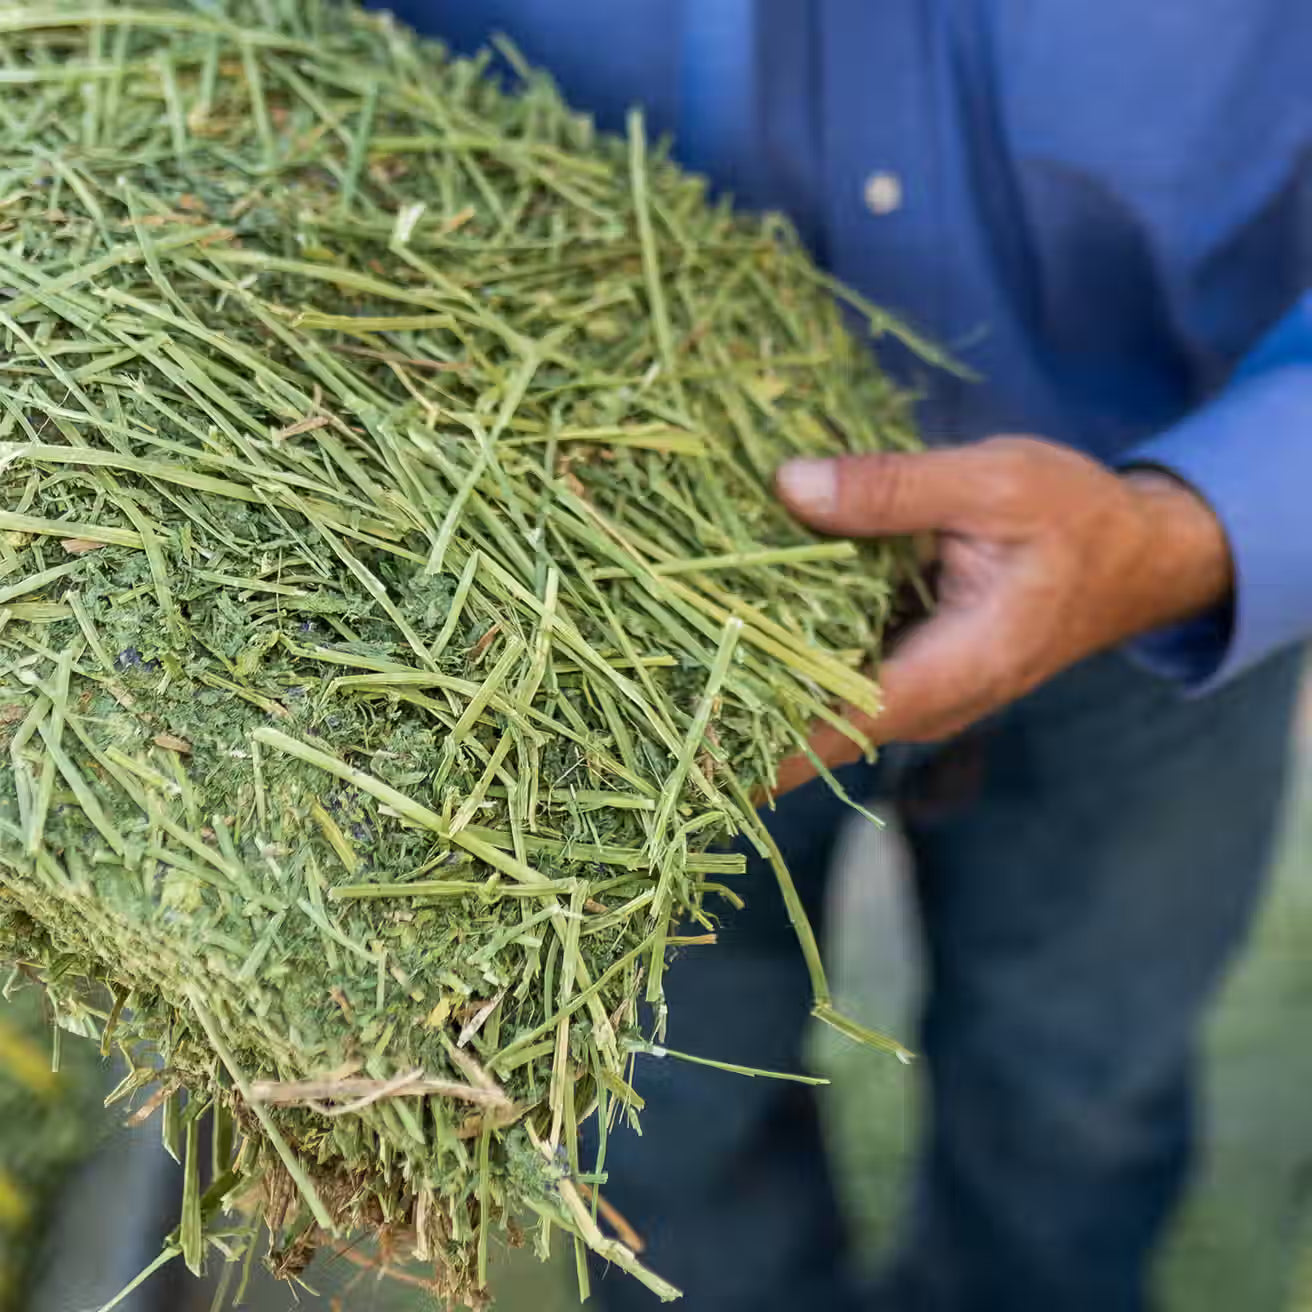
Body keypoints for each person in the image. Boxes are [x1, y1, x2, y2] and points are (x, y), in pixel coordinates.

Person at [378, 5, 1312, 1309]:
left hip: (1166, 544)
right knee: (660, 1113)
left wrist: (1193, 527)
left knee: (1081, 1093)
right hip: (580, 616)